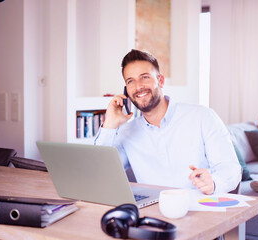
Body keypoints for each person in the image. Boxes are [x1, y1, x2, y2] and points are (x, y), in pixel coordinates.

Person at [95, 49, 241, 195]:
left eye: (145, 77)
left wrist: (214, 183)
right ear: (126, 90)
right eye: (130, 81)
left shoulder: (203, 116)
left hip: (201, 207)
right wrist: (109, 125)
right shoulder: (126, 132)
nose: (138, 86)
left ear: (161, 81)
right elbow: (101, 173)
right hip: (153, 213)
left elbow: (230, 168)